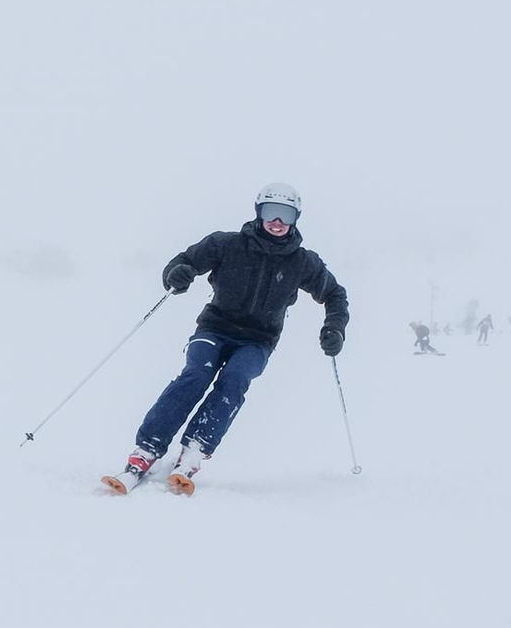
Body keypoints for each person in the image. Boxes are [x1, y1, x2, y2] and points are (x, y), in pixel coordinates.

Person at [104, 185, 349, 494]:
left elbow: (335, 295)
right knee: (195, 374)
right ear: (258, 213)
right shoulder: (227, 244)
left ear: (296, 219)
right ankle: (147, 450)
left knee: (235, 378)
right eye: (270, 212)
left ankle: (193, 452)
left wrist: (335, 328)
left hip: (257, 341)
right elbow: (184, 261)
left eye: (285, 215)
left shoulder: (302, 262)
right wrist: (177, 274)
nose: (277, 221)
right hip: (214, 330)